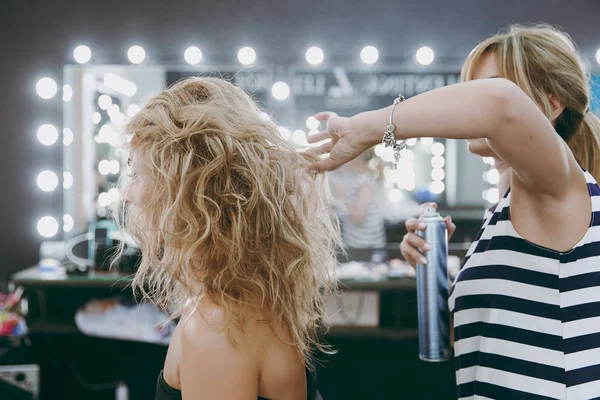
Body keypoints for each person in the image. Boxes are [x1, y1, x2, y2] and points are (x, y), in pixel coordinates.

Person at [308, 24, 600, 399]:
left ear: (552, 105)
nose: (474, 102)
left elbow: (498, 106)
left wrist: (366, 128)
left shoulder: (558, 187)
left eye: (488, 86)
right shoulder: (505, 213)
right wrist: (436, 280)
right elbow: (482, 348)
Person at [115, 77, 341, 399]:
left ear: (185, 196)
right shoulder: (256, 299)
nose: (128, 197)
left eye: (137, 174)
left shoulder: (218, 328)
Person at [328, 149, 386, 249]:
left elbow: (359, 216)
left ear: (357, 158)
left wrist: (342, 197)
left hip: (365, 246)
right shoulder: (356, 179)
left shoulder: (365, 181)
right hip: (357, 244)